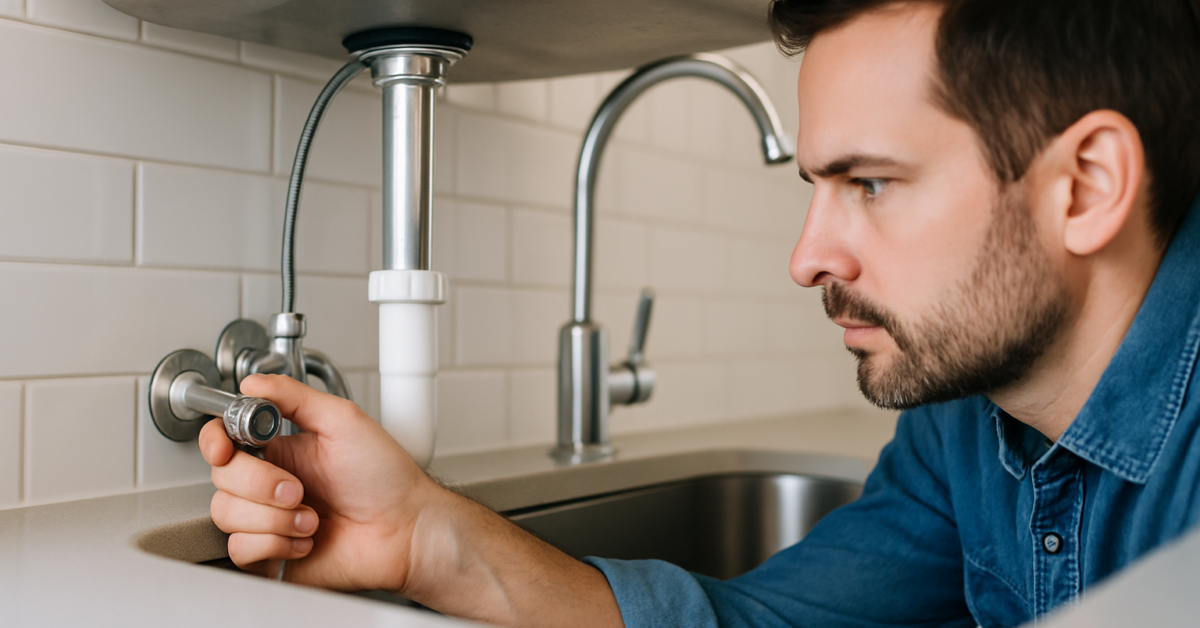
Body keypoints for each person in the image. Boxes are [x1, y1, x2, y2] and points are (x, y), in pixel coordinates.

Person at [198, 0, 1200, 625]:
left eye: (874, 184)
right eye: (818, 185)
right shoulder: (966, 423)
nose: (809, 257)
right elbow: (763, 623)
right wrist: (425, 537)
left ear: (1085, 186)